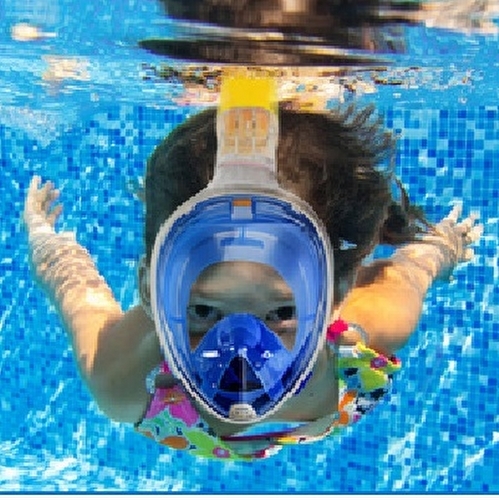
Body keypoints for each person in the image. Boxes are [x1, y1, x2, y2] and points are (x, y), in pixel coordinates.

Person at [23, 88, 482, 460]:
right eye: (204, 311)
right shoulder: (125, 379)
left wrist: (439, 248)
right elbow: (73, 292)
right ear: (149, 290)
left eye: (280, 313)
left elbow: (411, 271)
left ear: (337, 294)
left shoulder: (366, 336)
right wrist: (45, 240)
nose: (241, 356)